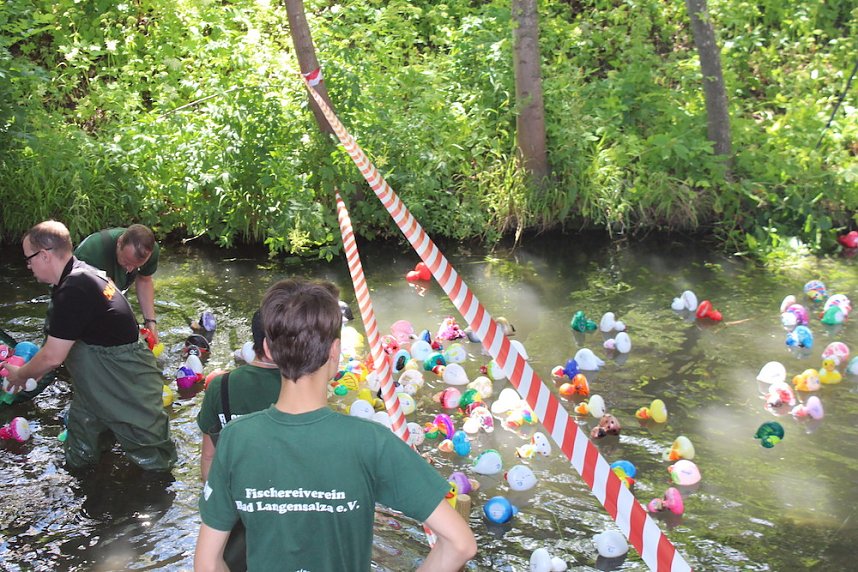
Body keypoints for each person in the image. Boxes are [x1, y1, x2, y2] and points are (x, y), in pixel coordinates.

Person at [195, 278, 476, 571]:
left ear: (268, 348)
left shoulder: (236, 439)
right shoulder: (372, 442)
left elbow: (207, 562)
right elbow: (460, 544)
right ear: (335, 351)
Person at [4, 220, 177, 472]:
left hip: (124, 376)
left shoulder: (73, 290)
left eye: (29, 258)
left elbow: (53, 357)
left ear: (44, 255)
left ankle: (156, 495)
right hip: (99, 376)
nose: (28, 265)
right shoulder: (83, 272)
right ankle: (82, 473)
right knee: (83, 436)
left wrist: (21, 374)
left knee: (150, 451)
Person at [197, 310, 280, 572]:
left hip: (236, 507)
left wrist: (218, 510)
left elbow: (209, 458)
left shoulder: (220, 386)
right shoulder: (301, 387)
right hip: (285, 507)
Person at [74, 224, 161, 344]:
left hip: (111, 294)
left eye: (136, 266)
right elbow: (84, 300)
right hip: (78, 300)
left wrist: (150, 322)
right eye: (126, 262)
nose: (130, 270)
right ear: (119, 243)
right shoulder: (91, 252)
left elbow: (144, 280)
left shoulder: (149, 250)